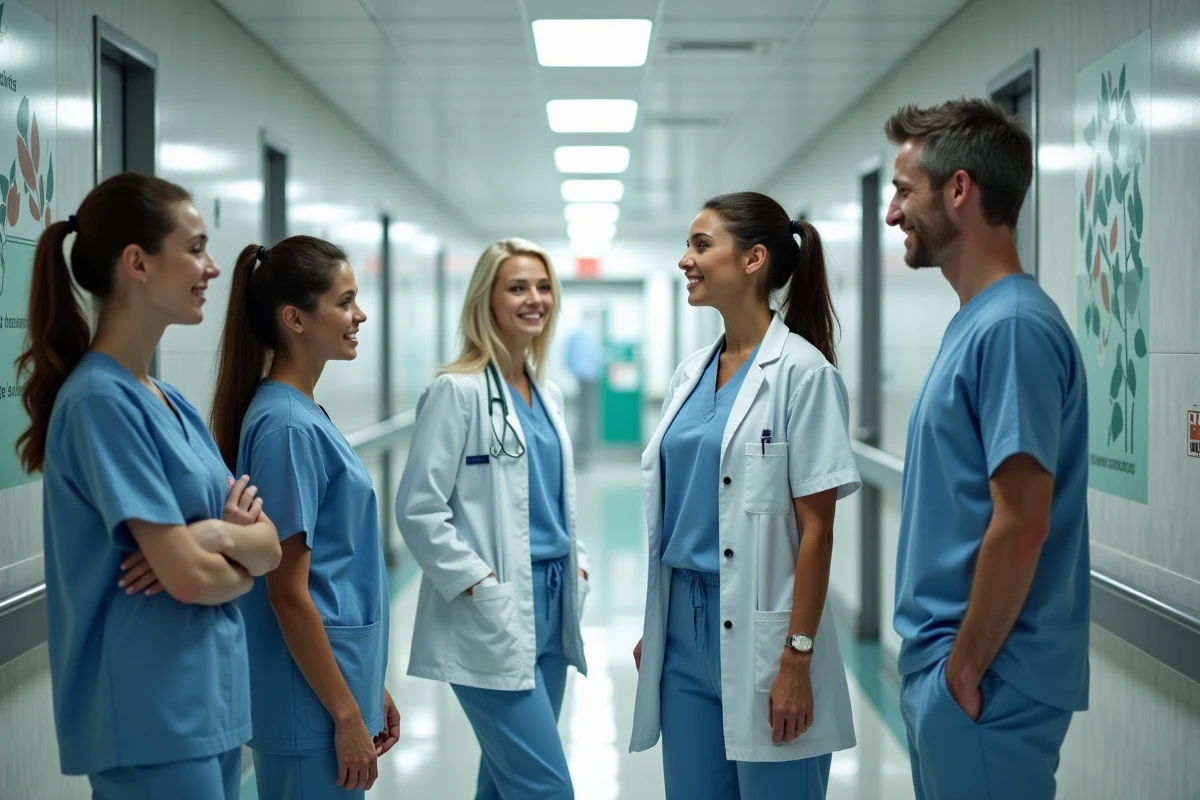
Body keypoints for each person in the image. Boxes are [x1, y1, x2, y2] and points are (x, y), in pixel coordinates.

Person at [16, 173, 282, 799]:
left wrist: (212, 537)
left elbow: (268, 546)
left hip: (208, 704)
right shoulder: (99, 402)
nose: (212, 268)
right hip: (145, 716)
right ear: (136, 262)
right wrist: (226, 556)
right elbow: (192, 576)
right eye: (194, 248)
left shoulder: (170, 402)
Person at [884, 99, 1089, 799]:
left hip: (986, 685)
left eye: (903, 191)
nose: (892, 213)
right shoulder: (977, 324)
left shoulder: (1012, 330)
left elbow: (1023, 523)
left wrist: (963, 671)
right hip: (960, 678)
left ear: (959, 190)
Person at [629, 192, 862, 799]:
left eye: (701, 245)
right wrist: (658, 624)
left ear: (755, 259)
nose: (686, 259)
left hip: (769, 637)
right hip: (683, 631)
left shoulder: (804, 375)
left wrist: (798, 658)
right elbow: (675, 515)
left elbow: (818, 531)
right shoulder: (690, 373)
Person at [396, 238, 591, 800]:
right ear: (487, 298)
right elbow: (419, 509)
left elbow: (558, 500)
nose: (535, 299)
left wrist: (576, 568)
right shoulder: (454, 392)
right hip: (494, 611)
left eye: (543, 286)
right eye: (517, 287)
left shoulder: (547, 393)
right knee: (545, 788)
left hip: (554, 604)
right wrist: (478, 583)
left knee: (505, 783)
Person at [209, 235, 398, 798]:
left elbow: (333, 571)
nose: (359, 314)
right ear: (294, 318)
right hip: (310, 708)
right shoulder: (286, 428)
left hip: (329, 691)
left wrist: (366, 691)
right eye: (343, 302)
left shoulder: (303, 413)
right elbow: (287, 593)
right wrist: (345, 714)